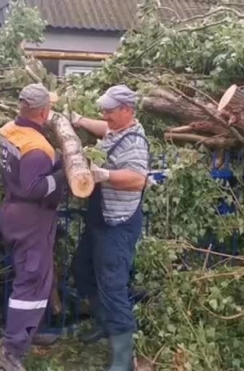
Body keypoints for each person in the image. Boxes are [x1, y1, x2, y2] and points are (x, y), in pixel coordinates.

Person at [70, 84, 150, 371]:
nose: (104, 114)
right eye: (102, 110)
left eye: (109, 110)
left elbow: (138, 179)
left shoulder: (135, 143)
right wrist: (78, 120)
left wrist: (104, 174)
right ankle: (104, 324)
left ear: (127, 111)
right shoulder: (116, 130)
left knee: (113, 285)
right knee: (82, 269)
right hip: (99, 217)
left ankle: (122, 359)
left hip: (118, 223)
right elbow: (104, 129)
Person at [0, 83, 68, 371]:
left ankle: (28, 333)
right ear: (44, 112)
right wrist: (60, 176)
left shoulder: (9, 130)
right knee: (32, 280)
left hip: (14, 211)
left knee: (35, 276)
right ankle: (10, 352)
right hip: (32, 217)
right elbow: (35, 186)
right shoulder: (37, 147)